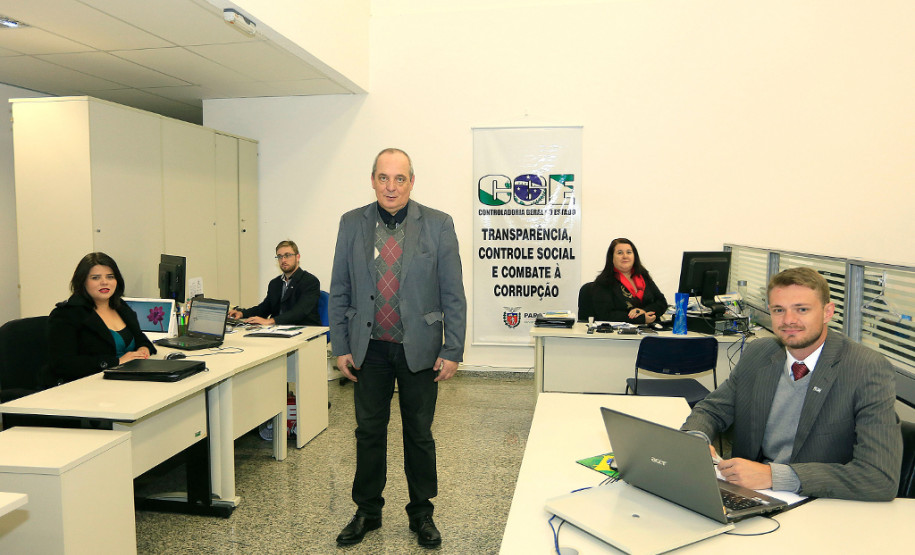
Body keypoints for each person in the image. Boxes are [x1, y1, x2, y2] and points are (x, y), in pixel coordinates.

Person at [329, 148, 467, 548]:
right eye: (384, 178)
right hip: (368, 348)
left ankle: (421, 513)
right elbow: (339, 289)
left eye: (400, 178)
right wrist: (340, 345)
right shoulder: (351, 223)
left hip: (419, 348)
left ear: (411, 181)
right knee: (368, 433)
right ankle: (367, 511)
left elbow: (452, 293)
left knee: (419, 434)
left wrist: (453, 349)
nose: (391, 186)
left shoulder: (439, 224)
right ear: (373, 180)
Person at [681, 267, 902, 501]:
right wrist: (695, 439)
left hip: (819, 502)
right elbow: (712, 409)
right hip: (750, 495)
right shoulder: (759, 353)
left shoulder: (867, 369)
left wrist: (774, 476)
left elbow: (880, 478)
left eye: (802, 309)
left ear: (827, 312)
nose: (788, 321)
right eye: (779, 310)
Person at [45, 252, 156, 387]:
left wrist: (144, 349)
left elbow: (141, 339)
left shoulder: (121, 307)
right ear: (82, 281)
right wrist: (117, 362)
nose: (104, 282)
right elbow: (63, 364)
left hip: (125, 380)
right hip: (84, 387)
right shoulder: (66, 314)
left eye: (110, 276)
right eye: (95, 278)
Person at [228, 240, 321, 326]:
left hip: (305, 329)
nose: (283, 260)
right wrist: (242, 313)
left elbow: (299, 312)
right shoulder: (275, 283)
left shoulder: (310, 281)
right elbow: (264, 309)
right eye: (280, 256)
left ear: (297, 257)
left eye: (287, 255)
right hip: (279, 329)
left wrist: (270, 321)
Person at [577, 238, 668, 324]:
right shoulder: (604, 282)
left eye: (629, 252)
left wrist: (644, 311)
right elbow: (606, 315)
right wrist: (640, 319)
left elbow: (662, 302)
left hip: (649, 330)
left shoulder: (644, 277)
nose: (625, 256)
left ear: (634, 256)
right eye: (620, 253)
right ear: (612, 257)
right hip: (618, 333)